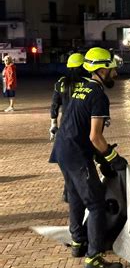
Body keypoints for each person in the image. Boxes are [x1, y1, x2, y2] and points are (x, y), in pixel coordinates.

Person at [49, 47, 125, 268]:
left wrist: (101, 157)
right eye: (112, 69)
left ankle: (79, 243)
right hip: (76, 153)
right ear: (102, 69)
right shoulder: (98, 95)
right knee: (96, 204)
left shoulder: (80, 86)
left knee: (75, 196)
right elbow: (95, 137)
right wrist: (113, 158)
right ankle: (94, 260)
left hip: (62, 148)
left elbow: (78, 126)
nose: (115, 74)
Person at [49, 53, 89, 202]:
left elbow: (54, 105)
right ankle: (78, 193)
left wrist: (53, 124)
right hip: (81, 126)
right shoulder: (87, 83)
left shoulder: (60, 83)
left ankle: (68, 191)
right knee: (82, 160)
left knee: (67, 162)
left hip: (65, 127)